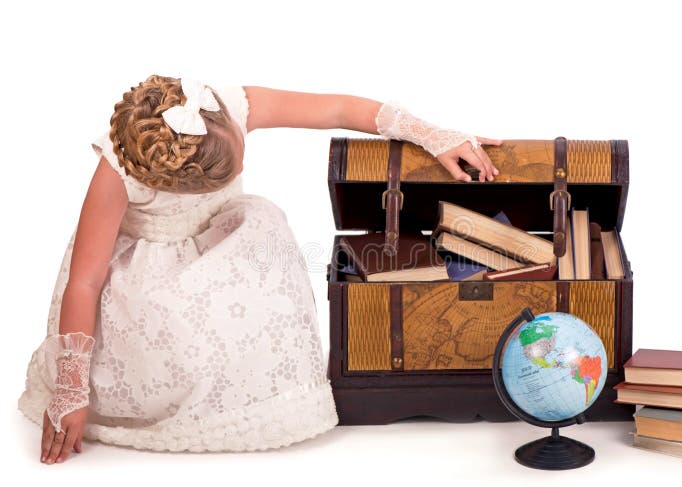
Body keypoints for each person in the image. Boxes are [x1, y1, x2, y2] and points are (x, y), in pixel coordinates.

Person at [17, 74, 502, 464]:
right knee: (173, 324)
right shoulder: (118, 169)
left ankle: (255, 381)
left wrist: (430, 134)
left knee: (267, 228)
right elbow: (85, 280)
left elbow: (336, 108)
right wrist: (70, 389)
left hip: (216, 243)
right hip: (146, 276)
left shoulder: (226, 105)